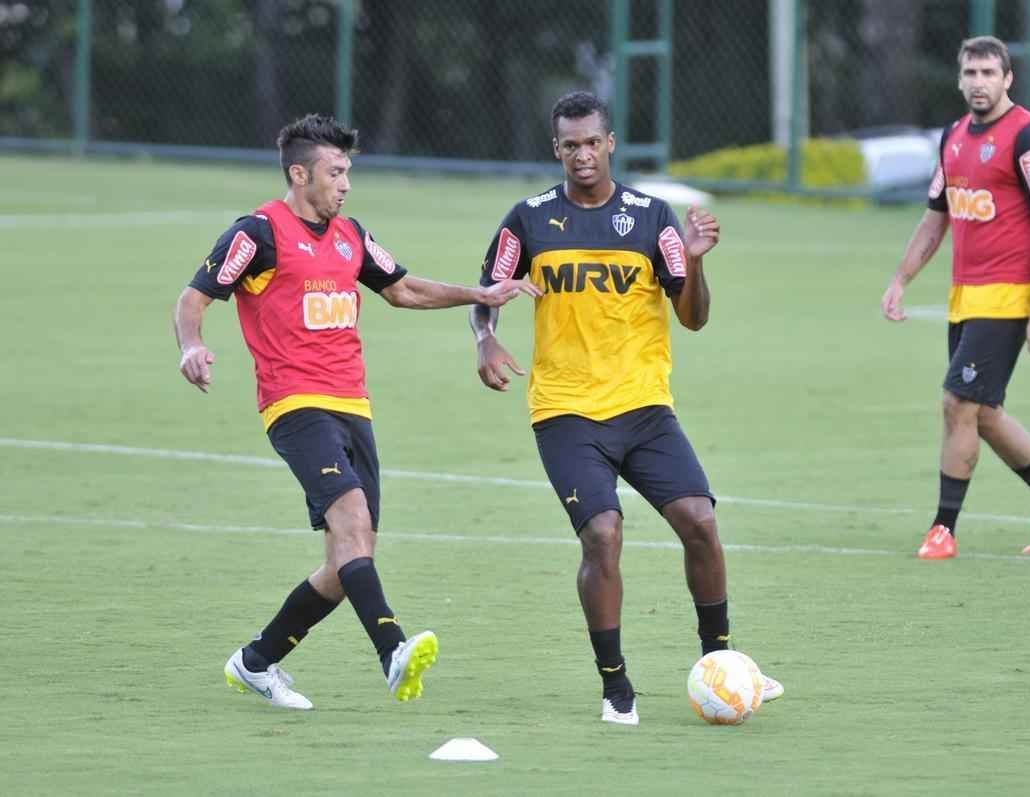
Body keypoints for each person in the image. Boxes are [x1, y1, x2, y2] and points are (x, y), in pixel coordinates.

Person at [174, 114, 539, 709]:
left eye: (348, 172)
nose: (345, 184)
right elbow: (195, 297)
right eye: (334, 173)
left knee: (347, 561)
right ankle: (392, 650)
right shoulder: (257, 233)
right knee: (350, 522)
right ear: (299, 174)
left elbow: (402, 289)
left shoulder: (350, 235)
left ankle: (255, 662)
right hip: (295, 403)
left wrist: (479, 294)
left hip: (353, 406)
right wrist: (191, 344)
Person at [467, 91, 782, 725]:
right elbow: (487, 293)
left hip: (643, 408)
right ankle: (615, 685)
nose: (582, 154)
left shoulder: (652, 218)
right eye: (570, 145)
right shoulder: (527, 220)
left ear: (610, 143)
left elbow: (693, 317)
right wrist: (485, 338)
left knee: (700, 521)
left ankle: (720, 661)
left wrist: (694, 261)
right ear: (556, 149)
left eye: (592, 142)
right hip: (566, 413)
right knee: (603, 535)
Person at [880, 36, 1030, 560]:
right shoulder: (952, 137)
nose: (979, 83)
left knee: (957, 403)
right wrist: (901, 279)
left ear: (1007, 78)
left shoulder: (1028, 137)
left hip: (1009, 295)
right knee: (984, 413)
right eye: (971, 73)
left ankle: (943, 529)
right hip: (965, 298)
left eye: (989, 73)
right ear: (959, 79)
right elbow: (936, 217)